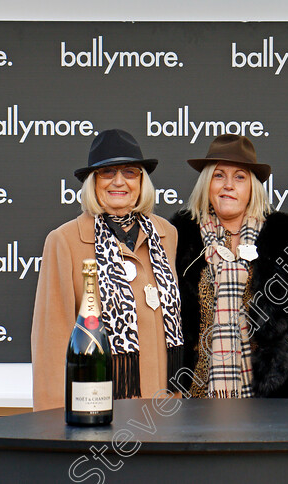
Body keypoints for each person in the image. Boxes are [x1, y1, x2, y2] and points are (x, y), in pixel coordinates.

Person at [170, 134, 288, 398]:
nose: (228, 185)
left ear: (252, 187)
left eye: (239, 177)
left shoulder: (279, 237)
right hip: (195, 394)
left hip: (268, 395)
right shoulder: (180, 238)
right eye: (219, 176)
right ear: (206, 184)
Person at [31, 129, 182, 410]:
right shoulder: (64, 241)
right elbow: (52, 343)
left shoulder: (166, 235)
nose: (119, 181)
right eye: (107, 172)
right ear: (92, 182)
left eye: (129, 172)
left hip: (165, 410)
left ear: (141, 181)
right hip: (101, 410)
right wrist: (51, 425)